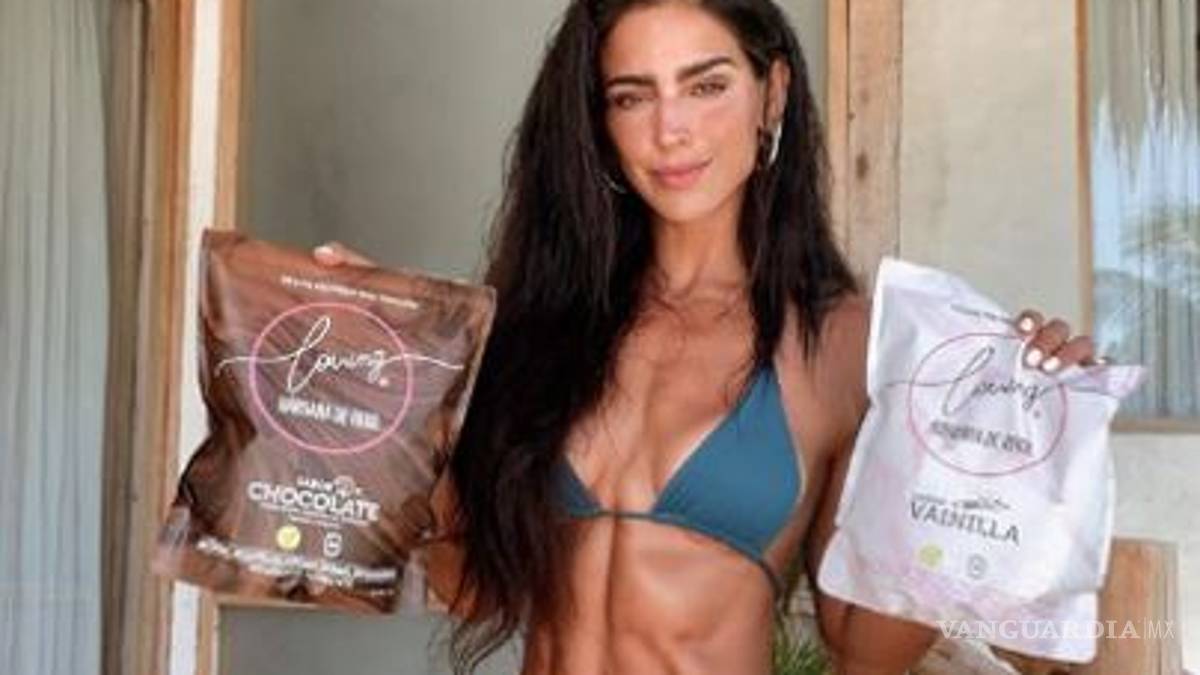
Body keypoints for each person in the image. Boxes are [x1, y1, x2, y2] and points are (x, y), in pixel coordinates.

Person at [313, 1, 1099, 672]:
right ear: (599, 122)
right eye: (632, 96)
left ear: (772, 93)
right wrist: (398, 382)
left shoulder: (844, 343)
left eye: (707, 85)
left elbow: (863, 646)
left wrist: (981, 452)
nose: (672, 129)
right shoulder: (543, 323)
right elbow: (474, 588)